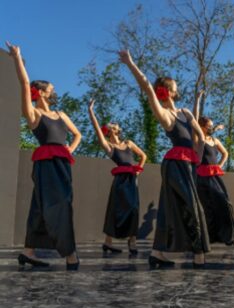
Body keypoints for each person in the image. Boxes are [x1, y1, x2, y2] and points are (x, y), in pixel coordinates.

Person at [119, 49, 210, 269]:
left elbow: (199, 134)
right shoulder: (165, 115)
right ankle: (198, 253)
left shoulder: (186, 113)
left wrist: (197, 154)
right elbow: (147, 88)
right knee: (191, 205)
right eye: (175, 86)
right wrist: (131, 63)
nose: (178, 89)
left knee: (171, 208)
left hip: (188, 163)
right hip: (174, 165)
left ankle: (158, 252)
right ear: (167, 91)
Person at [7, 41, 81, 270]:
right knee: (59, 204)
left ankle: (29, 251)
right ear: (40, 92)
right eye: (50, 89)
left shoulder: (61, 114)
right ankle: (70, 254)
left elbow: (77, 134)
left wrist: (70, 148)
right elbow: (24, 82)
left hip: (62, 163)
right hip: (46, 165)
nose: (54, 92)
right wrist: (18, 58)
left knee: (40, 206)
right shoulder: (34, 114)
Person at [88, 99, 146, 256]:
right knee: (116, 209)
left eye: (115, 125)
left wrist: (139, 170)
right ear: (110, 131)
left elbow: (143, 156)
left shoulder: (128, 143)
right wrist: (91, 112)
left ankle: (132, 240)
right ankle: (108, 242)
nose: (114, 125)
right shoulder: (109, 147)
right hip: (120, 182)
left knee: (133, 209)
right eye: (112, 125)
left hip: (132, 179)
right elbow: (98, 132)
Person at [192, 91, 234, 253]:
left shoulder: (215, 140)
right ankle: (206, 241)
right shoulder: (198, 140)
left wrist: (220, 165)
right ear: (201, 127)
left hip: (215, 176)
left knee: (226, 205)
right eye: (208, 126)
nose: (210, 128)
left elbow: (226, 153)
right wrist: (198, 99)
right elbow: (193, 118)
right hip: (201, 178)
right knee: (208, 209)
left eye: (211, 126)